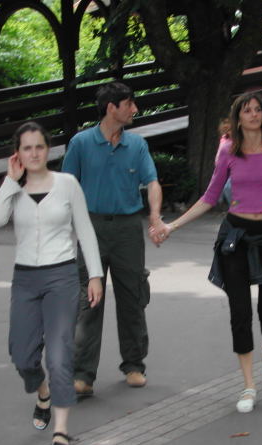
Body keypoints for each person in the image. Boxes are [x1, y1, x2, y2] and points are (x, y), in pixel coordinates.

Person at [153, 93, 262, 413]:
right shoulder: (228, 150)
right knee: (239, 311)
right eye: (247, 110)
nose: (254, 115)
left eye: (257, 110)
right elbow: (210, 197)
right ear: (237, 117)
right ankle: (248, 385)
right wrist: (171, 226)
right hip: (236, 237)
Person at [0, 122, 103, 445]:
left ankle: (61, 431)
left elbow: (85, 231)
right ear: (18, 153)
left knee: (59, 354)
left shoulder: (67, 184)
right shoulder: (14, 188)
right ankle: (43, 392)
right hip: (25, 279)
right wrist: (10, 181)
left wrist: (95, 275)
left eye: (39, 147)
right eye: (27, 148)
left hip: (61, 276)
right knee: (22, 355)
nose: (34, 153)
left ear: (47, 149)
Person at [61, 82, 164, 395]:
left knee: (133, 297)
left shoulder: (137, 145)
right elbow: (66, 188)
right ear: (111, 108)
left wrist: (155, 217)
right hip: (90, 227)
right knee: (88, 301)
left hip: (128, 229)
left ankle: (134, 365)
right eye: (129, 103)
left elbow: (152, 182)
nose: (134, 109)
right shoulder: (81, 143)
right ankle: (82, 374)